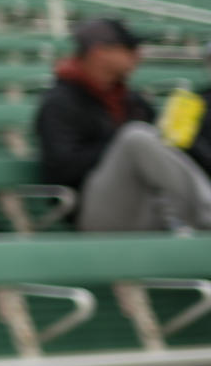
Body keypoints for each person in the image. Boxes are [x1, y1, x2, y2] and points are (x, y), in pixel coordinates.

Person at [35, 19, 211, 231]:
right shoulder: (61, 101)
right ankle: (206, 213)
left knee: (151, 136)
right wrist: (117, 142)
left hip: (146, 204)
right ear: (100, 52)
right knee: (134, 137)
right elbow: (62, 168)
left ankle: (199, 214)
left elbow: (165, 142)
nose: (138, 55)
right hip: (92, 211)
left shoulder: (130, 100)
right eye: (129, 49)